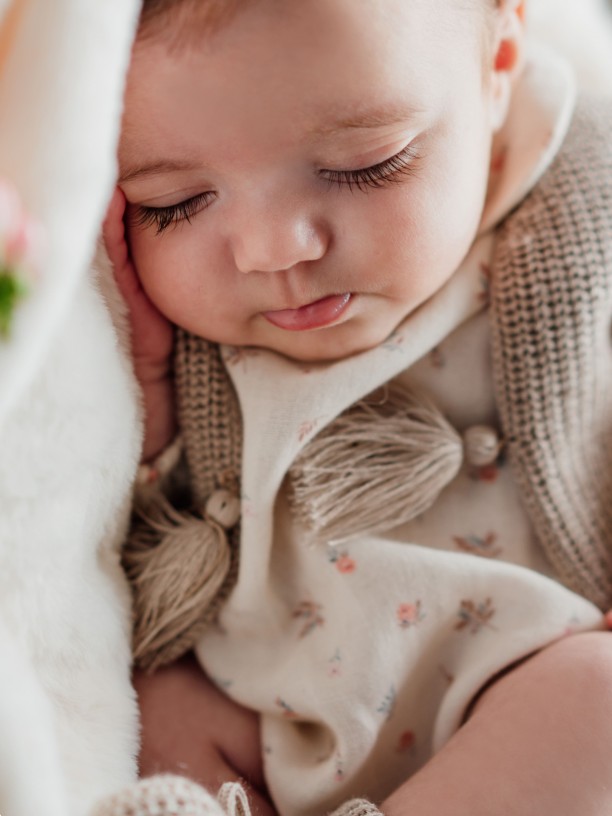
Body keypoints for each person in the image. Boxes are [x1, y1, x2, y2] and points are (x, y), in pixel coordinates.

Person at [103, 0, 612, 814]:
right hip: (276, 728)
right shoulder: (177, 335)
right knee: (151, 709)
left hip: (527, 695)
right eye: (175, 203)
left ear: (498, 67)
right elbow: (128, 520)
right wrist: (148, 392)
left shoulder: (584, 222)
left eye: (364, 164)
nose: (273, 251)